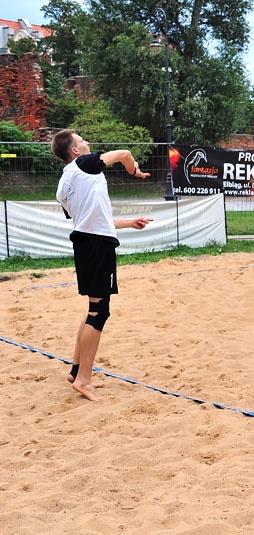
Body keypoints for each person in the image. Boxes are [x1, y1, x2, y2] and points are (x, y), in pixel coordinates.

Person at [51, 129, 153, 402]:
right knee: (99, 312)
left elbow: (92, 217)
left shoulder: (64, 185)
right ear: (74, 150)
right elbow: (125, 154)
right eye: (81, 140)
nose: (86, 142)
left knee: (93, 309)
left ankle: (75, 370)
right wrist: (135, 172)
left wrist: (129, 223)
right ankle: (85, 379)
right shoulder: (82, 164)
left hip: (86, 243)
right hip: (97, 246)